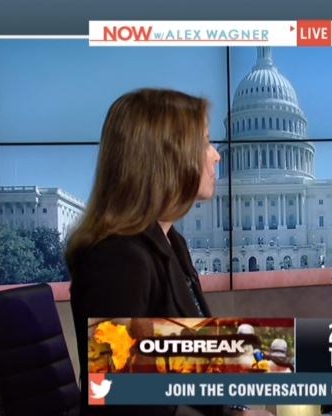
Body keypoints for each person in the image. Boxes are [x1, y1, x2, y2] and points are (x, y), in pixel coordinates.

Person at [67, 89, 257, 416]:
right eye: (205, 142)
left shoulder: (171, 242)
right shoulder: (117, 259)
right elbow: (121, 397)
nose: (217, 155)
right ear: (168, 158)